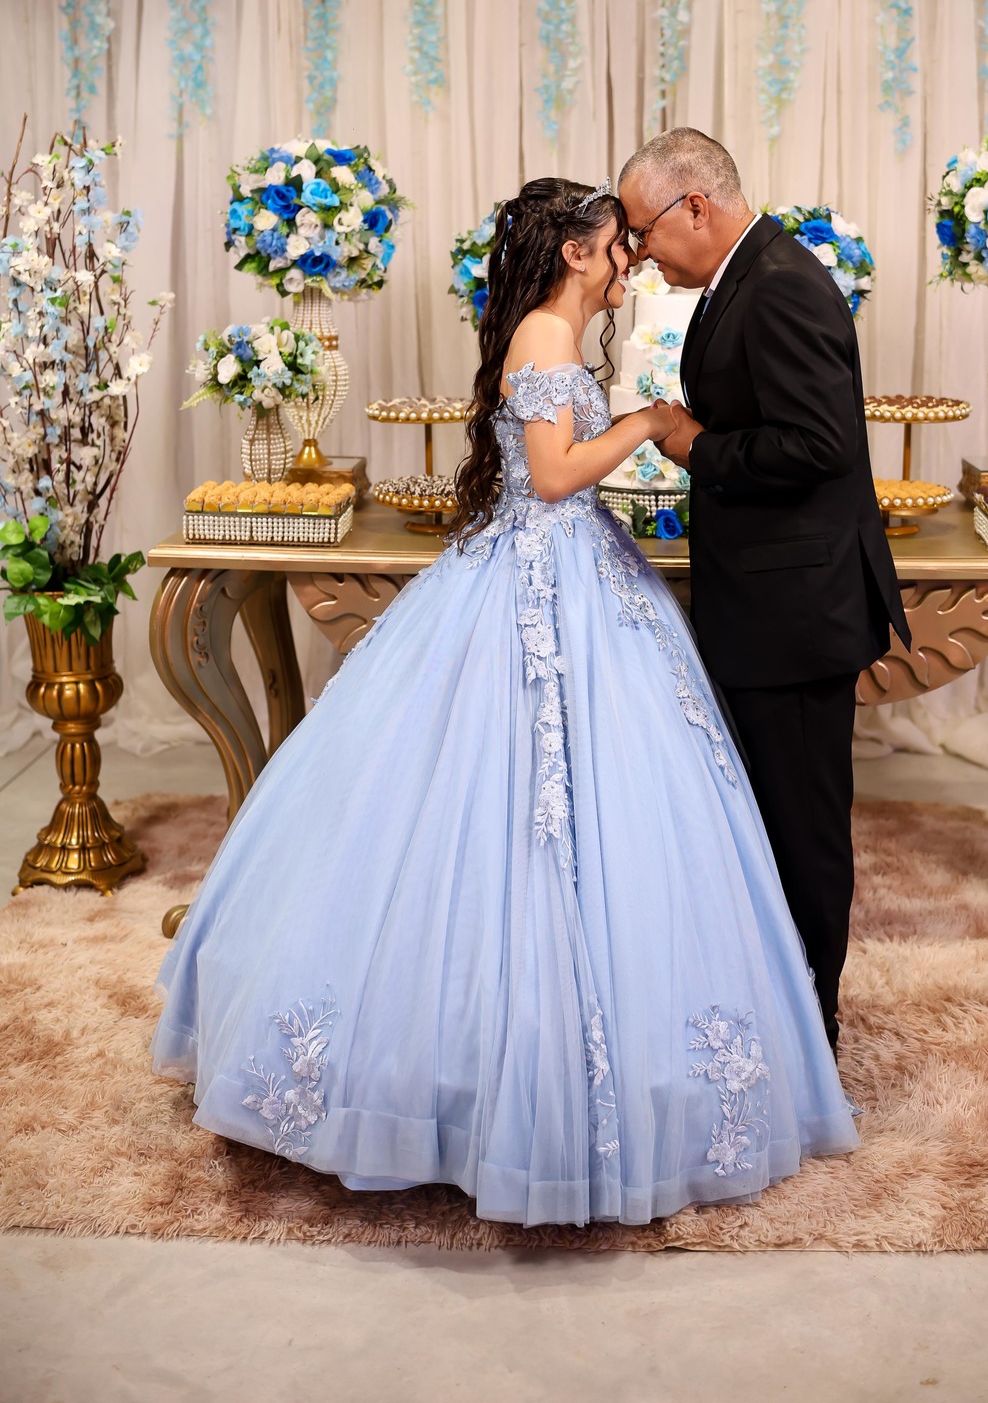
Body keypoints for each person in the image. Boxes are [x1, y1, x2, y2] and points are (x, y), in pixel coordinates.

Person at [151, 175, 858, 1228]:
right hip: (540, 579)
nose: (629, 262)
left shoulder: (557, 334)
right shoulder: (543, 335)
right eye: (617, 245)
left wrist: (648, 427)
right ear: (574, 253)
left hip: (579, 575)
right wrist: (646, 423)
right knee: (499, 815)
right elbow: (556, 475)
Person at [618, 130, 909, 1057]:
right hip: (771, 603)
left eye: (644, 230)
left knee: (804, 828)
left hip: (797, 614)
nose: (641, 253)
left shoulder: (779, 284)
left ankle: (814, 1031)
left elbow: (820, 445)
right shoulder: (740, 276)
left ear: (695, 206)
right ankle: (781, 1008)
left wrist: (693, 445)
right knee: (770, 821)